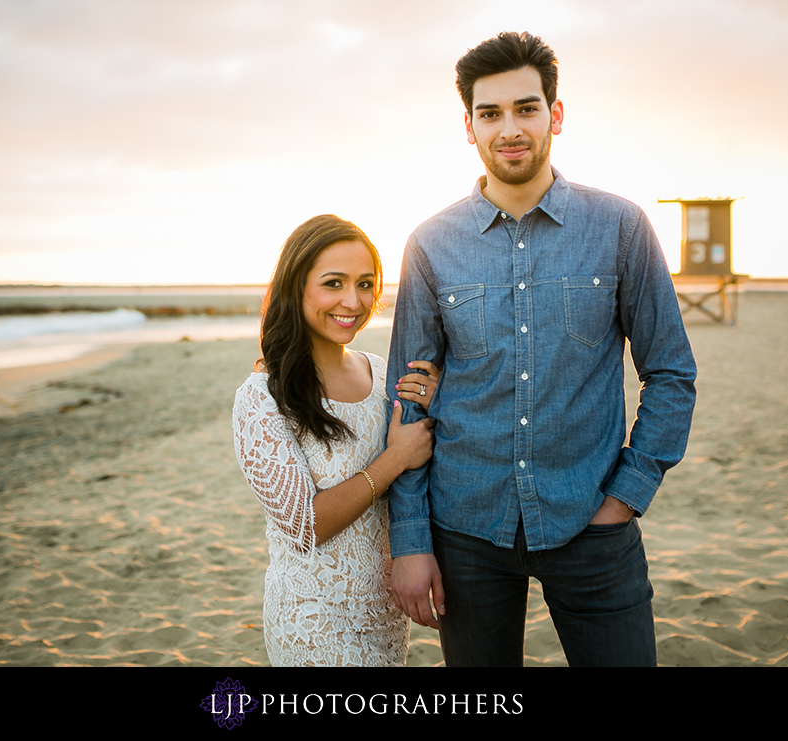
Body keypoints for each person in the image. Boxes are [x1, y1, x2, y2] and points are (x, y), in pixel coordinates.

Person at [385, 32, 697, 667]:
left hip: (591, 519)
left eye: (526, 108)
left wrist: (628, 492)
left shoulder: (620, 226)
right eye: (490, 113)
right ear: (468, 127)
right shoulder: (430, 244)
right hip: (466, 528)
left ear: (555, 114)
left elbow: (670, 371)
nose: (509, 128)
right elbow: (406, 400)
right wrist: (411, 539)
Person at [232, 214, 439, 666]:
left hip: (385, 615)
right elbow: (307, 525)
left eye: (366, 284)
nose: (353, 300)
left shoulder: (383, 373)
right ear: (296, 287)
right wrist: (394, 458)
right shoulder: (263, 397)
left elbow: (428, 463)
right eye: (334, 283)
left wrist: (441, 401)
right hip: (313, 620)